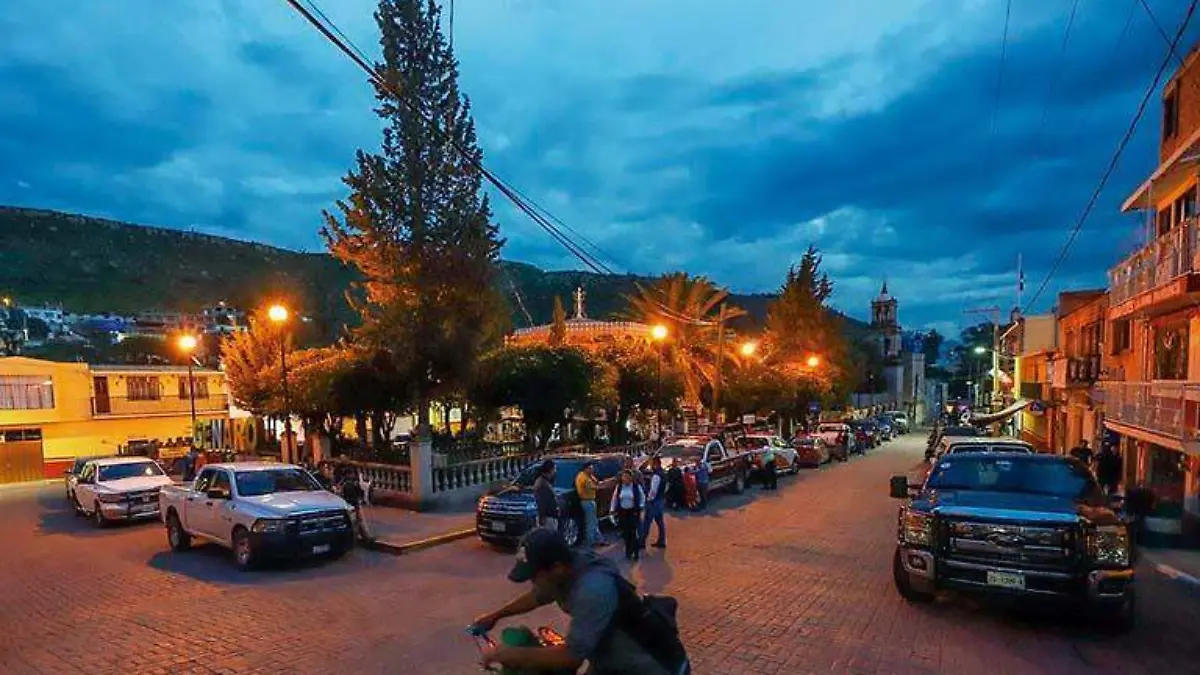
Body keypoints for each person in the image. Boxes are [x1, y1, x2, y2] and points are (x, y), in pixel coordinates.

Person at [472, 529, 676, 675]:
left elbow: (571, 657)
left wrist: (511, 654)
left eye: (536, 576)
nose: (533, 582)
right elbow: (538, 596)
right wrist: (496, 616)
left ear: (557, 568)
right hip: (609, 658)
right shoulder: (568, 566)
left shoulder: (593, 590)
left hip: (647, 665)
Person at [609, 470, 645, 560]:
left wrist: (640, 507)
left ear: (631, 478)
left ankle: (635, 552)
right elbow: (614, 498)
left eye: (626, 477)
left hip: (633, 512)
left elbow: (642, 497)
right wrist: (612, 509)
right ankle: (628, 552)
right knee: (626, 533)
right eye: (623, 477)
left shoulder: (636, 487)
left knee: (633, 533)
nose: (624, 479)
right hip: (622, 512)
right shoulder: (620, 487)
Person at [574, 462, 604, 547]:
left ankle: (599, 539)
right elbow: (594, 487)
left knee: (594, 521)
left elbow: (596, 482)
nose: (592, 470)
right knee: (590, 523)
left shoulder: (584, 475)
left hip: (587, 501)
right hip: (587, 501)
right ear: (586, 468)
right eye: (590, 468)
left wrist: (592, 477)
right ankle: (590, 542)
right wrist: (604, 486)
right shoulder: (584, 478)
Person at [641, 456, 667, 549]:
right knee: (660, 522)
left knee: (647, 522)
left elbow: (653, 491)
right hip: (660, 500)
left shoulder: (656, 475)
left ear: (655, 464)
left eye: (652, 463)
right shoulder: (663, 473)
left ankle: (642, 542)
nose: (651, 465)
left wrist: (648, 499)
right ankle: (662, 541)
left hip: (654, 502)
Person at [533, 460, 560, 532]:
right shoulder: (542, 483)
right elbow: (542, 502)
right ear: (550, 470)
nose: (555, 471)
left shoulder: (545, 482)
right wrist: (542, 517)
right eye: (554, 469)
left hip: (550, 516)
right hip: (547, 518)